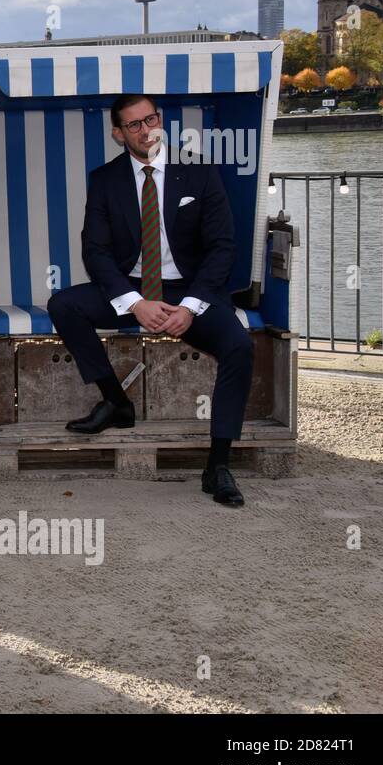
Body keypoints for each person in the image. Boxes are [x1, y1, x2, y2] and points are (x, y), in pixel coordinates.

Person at [46, 94, 253, 507]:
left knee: (239, 346)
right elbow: (96, 252)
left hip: (188, 289)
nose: (146, 130)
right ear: (118, 134)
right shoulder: (105, 179)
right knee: (63, 306)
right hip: (135, 285)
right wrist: (134, 302)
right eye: (134, 125)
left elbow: (222, 248)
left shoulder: (199, 170)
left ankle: (218, 465)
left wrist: (192, 306)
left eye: (151, 119)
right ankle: (116, 402)